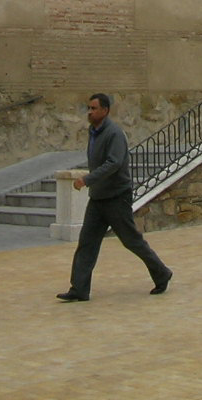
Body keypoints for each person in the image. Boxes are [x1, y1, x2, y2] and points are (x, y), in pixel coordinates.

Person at [57, 93, 172, 302]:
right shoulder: (94, 131)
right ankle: (79, 289)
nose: (90, 112)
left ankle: (162, 273)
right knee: (87, 242)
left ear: (105, 110)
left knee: (131, 241)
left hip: (117, 198)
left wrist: (87, 179)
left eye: (93, 108)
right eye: (88, 108)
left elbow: (114, 163)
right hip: (98, 198)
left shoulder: (114, 134)